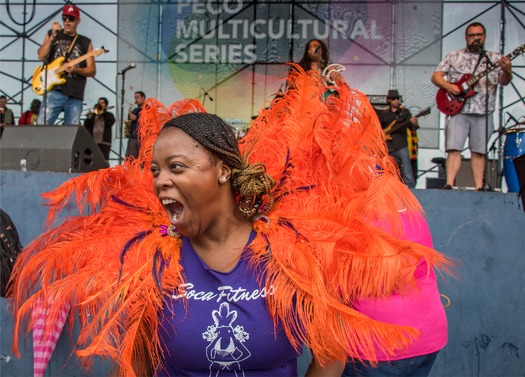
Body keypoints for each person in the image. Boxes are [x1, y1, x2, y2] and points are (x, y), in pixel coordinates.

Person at [9, 72, 448, 376]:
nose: (161, 181)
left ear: (222, 170)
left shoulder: (290, 251)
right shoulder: (149, 259)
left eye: (177, 167)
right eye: (157, 170)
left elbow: (329, 357)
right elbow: (135, 365)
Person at [343, 211, 448, 377]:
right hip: (428, 334)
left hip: (380, 346)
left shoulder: (356, 221)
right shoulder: (413, 213)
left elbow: (345, 285)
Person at [431, 22, 513, 191]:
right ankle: (449, 183)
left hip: (483, 111)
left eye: (479, 35)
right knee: (454, 148)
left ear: (484, 37)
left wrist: (508, 71)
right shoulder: (454, 56)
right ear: (466, 38)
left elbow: (504, 81)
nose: (476, 38)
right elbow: (436, 76)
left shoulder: (494, 58)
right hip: (458, 110)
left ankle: (479, 186)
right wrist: (448, 86)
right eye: (472, 35)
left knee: (479, 151)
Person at [37, 4, 96, 126]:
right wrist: (53, 35)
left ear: (78, 21)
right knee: (42, 128)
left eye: (71, 18)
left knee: (71, 132)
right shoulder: (53, 35)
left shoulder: (85, 42)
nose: (67, 21)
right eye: (65, 18)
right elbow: (41, 56)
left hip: (75, 94)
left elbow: (92, 71)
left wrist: (75, 70)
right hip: (54, 91)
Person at [375, 90, 419, 188]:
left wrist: (415, 123)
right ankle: (381, 186)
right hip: (387, 145)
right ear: (389, 100)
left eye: (397, 98)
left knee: (406, 168)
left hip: (401, 144)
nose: (396, 101)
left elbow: (412, 127)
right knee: (383, 167)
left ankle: (411, 189)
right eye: (393, 99)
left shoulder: (405, 112)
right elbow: (378, 127)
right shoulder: (384, 113)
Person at [83, 97, 115, 161]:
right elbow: (86, 125)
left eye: (102, 103)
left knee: (104, 160)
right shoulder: (93, 115)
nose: (100, 104)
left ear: (106, 105)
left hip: (104, 143)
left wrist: (103, 112)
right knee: (92, 160)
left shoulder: (109, 115)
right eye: (99, 103)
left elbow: (110, 122)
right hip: (93, 142)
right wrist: (89, 117)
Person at [125, 91, 145, 159]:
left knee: (142, 160)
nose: (135, 99)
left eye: (137, 97)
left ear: (143, 98)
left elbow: (147, 120)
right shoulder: (135, 110)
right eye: (135, 97)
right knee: (130, 159)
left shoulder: (147, 109)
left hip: (142, 138)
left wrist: (136, 118)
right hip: (133, 137)